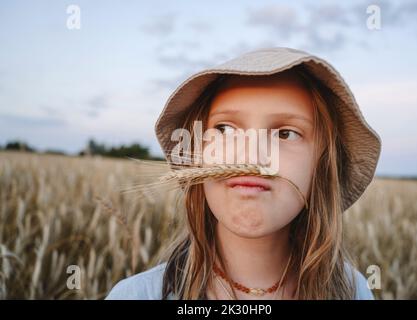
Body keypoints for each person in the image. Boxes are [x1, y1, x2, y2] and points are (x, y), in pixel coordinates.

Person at [106, 47, 382, 300]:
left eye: (285, 133)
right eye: (225, 129)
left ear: (322, 166)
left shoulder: (352, 291)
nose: (251, 155)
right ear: (196, 156)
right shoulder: (136, 295)